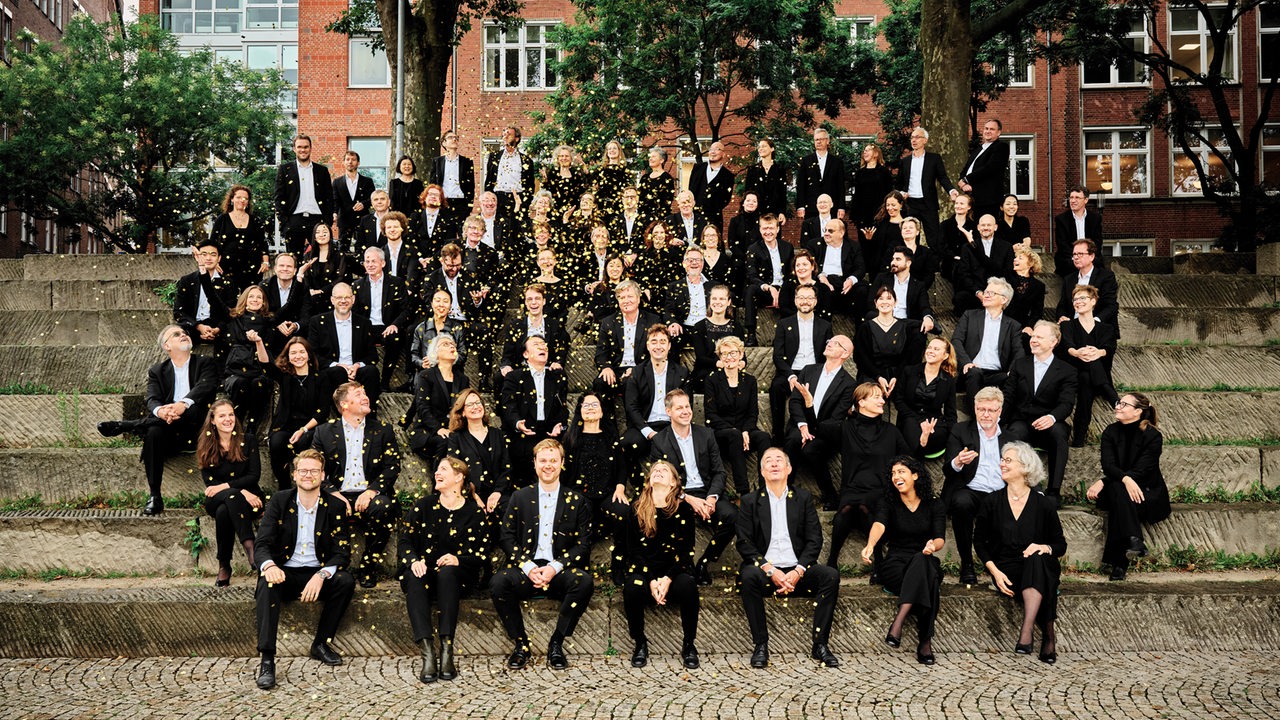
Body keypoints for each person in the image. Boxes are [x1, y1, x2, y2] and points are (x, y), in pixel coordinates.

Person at [252, 449, 356, 690]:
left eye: (314, 471)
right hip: (285, 572)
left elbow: (342, 552)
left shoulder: (335, 506)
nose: (308, 475)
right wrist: (269, 566)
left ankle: (321, 644)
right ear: (295, 475)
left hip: (316, 572)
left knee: (345, 581)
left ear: (323, 475)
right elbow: (262, 544)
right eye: (303, 471)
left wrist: (321, 575)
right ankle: (267, 659)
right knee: (266, 583)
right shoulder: (280, 500)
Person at [490, 439, 595, 671]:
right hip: (526, 569)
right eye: (543, 460)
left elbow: (583, 545)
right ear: (535, 464)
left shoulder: (577, 501)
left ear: (562, 464)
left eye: (553, 461)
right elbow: (506, 537)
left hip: (559, 571)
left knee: (584, 581)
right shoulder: (519, 497)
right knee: (498, 582)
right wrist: (527, 567)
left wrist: (555, 567)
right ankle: (521, 644)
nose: (548, 465)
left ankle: (557, 642)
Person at [737, 447, 841, 669]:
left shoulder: (802, 498)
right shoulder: (750, 501)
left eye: (779, 460)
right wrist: (771, 571)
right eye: (768, 461)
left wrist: (798, 571)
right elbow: (744, 542)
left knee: (830, 575)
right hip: (765, 571)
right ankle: (761, 645)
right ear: (762, 471)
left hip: (798, 571)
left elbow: (815, 539)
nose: (774, 464)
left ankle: (820, 644)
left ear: (789, 469)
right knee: (748, 575)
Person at [97, 325, 219, 515]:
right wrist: (161, 411)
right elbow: (152, 398)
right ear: (167, 345)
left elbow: (207, 387)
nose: (183, 335)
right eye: (176, 334)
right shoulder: (158, 371)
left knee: (193, 409)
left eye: (184, 333)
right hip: (170, 428)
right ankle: (155, 495)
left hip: (198, 427)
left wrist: (183, 404)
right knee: (154, 432)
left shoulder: (205, 363)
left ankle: (128, 426)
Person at [399, 456, 491, 683]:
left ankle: (447, 650)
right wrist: (413, 560)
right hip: (426, 574)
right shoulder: (423, 505)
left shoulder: (474, 513)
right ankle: (428, 652)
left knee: (448, 572)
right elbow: (404, 541)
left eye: (443, 470)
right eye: (437, 470)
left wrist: (459, 559)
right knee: (414, 575)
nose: (437, 474)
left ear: (459, 477)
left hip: (457, 579)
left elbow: (482, 553)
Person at [973, 441, 1066, 664]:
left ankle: (1027, 632)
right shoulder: (991, 501)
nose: (1002, 464)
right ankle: (1049, 636)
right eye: (1002, 460)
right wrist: (994, 572)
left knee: (1037, 560)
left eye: (1008, 460)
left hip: (1039, 565)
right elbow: (979, 541)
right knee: (1042, 576)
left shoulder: (1043, 504)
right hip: (1007, 570)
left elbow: (1060, 545)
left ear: (1025, 467)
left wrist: (1043, 547)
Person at [311, 381, 402, 588]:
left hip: (370, 493)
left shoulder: (382, 430)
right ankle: (336, 563)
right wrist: (333, 493)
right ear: (344, 404)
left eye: (365, 392)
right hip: (336, 494)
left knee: (383, 507)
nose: (365, 397)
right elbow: (315, 468)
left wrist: (371, 491)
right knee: (325, 508)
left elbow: (392, 467)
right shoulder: (323, 432)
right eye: (359, 394)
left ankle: (368, 564)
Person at [860, 455, 945, 665]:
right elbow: (879, 524)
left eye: (901, 472)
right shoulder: (888, 502)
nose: (896, 476)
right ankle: (925, 643)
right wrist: (870, 544)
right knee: (929, 581)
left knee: (924, 564)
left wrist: (932, 546)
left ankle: (899, 620)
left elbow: (940, 538)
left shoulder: (934, 504)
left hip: (925, 557)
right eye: (893, 474)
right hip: (896, 565)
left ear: (915, 475)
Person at [648, 389, 737, 586]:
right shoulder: (660, 442)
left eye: (687, 406)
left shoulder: (706, 434)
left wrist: (712, 498)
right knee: (679, 516)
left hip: (707, 492)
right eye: (679, 408)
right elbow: (660, 480)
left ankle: (704, 562)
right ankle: (684, 565)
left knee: (732, 515)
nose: (686, 411)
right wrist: (687, 498)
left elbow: (719, 472)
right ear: (668, 411)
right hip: (678, 495)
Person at [621, 460, 701, 670]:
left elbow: (686, 552)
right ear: (648, 481)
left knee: (688, 586)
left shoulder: (683, 511)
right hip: (645, 573)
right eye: (655, 470)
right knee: (632, 587)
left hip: (673, 573)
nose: (658, 471)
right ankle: (640, 643)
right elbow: (633, 552)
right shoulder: (636, 509)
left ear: (674, 483)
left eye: (664, 470)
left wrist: (667, 579)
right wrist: (651, 580)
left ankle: (689, 645)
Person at [1086, 392, 1170, 581]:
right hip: (1120, 488)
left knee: (1118, 495)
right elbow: (1108, 465)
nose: (1118, 406)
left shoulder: (1153, 436)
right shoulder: (1110, 431)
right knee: (1119, 492)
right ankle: (1134, 540)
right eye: (1119, 403)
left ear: (1138, 411)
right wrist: (1124, 480)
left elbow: (1143, 470)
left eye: (1124, 404)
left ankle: (1119, 563)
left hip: (1146, 492)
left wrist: (1106, 481)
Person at [827, 382, 910, 569]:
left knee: (868, 510)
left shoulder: (891, 431)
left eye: (882, 397)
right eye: (876, 397)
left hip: (881, 489)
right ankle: (832, 560)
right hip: (853, 487)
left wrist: (922, 441)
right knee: (846, 510)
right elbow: (821, 427)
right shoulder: (846, 428)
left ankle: (879, 562)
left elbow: (908, 458)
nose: (882, 401)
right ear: (861, 402)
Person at [941, 386, 1018, 586]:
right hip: (971, 490)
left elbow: (1022, 470)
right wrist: (958, 461)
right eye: (981, 409)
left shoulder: (1010, 437)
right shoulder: (960, 430)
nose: (985, 414)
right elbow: (947, 470)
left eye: (991, 410)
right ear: (975, 409)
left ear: (999, 411)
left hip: (1000, 492)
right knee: (961, 502)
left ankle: (1003, 566)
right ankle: (967, 564)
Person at [1001, 321, 1077, 502]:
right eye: (1033, 336)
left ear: (1053, 342)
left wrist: (1051, 418)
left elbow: (1066, 403)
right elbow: (1008, 396)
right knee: (1014, 433)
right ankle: (1026, 487)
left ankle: (1054, 491)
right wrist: (998, 422)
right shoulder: (1020, 365)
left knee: (1059, 434)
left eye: (1039, 337)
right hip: (1023, 420)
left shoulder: (1067, 370)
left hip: (1050, 423)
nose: (1033, 340)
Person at [784, 334, 856, 510]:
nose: (829, 344)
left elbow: (836, 418)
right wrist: (803, 426)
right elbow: (794, 402)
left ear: (845, 354)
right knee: (793, 441)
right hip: (799, 426)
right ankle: (785, 491)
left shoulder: (848, 383)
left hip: (825, 433)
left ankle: (830, 496)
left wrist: (813, 431)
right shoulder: (809, 370)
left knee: (811, 450)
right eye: (829, 341)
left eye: (835, 343)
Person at [561, 392, 628, 581]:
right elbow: (564, 472)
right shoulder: (571, 439)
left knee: (623, 512)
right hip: (580, 494)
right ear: (579, 411)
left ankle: (618, 564)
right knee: (579, 511)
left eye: (594, 404)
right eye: (585, 405)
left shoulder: (610, 436)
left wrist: (620, 487)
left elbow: (622, 465)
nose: (590, 408)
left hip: (608, 492)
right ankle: (581, 566)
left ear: (602, 411)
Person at [196, 399, 263, 587]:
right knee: (229, 499)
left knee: (224, 512)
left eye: (231, 414)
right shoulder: (205, 444)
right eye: (222, 415)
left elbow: (253, 476)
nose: (228, 419)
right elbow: (210, 486)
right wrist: (241, 491)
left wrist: (229, 487)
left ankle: (224, 565)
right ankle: (251, 550)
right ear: (213, 421)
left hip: (249, 500)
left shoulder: (247, 440)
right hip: (217, 499)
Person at [256, 335, 329, 489]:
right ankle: (284, 487)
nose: (298, 356)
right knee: (276, 443)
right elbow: (265, 365)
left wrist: (303, 429)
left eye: (301, 352)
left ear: (308, 354)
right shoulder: (285, 376)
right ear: (288, 357)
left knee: (304, 442)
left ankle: (306, 486)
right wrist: (258, 342)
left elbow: (323, 411)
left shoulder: (320, 377)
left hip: (310, 426)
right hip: (285, 425)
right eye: (293, 353)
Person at [704, 335, 771, 496]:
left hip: (743, 431)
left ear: (741, 355)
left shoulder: (750, 380)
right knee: (734, 435)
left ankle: (765, 489)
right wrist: (737, 431)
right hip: (722, 433)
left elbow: (752, 412)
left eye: (733, 353)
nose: (729, 357)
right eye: (724, 354)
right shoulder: (712, 380)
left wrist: (746, 430)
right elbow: (711, 415)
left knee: (764, 437)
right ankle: (744, 492)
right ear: (720, 357)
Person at [501, 335, 570, 489]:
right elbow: (508, 405)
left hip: (549, 434)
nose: (542, 347)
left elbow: (563, 407)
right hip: (524, 434)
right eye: (536, 344)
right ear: (526, 354)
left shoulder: (557, 376)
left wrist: (559, 425)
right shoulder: (514, 377)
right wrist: (518, 423)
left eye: (544, 345)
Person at [302, 282, 382, 409]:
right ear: (332, 300)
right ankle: (341, 414)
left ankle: (369, 415)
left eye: (347, 297)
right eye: (339, 298)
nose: (343, 301)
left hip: (357, 371)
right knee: (337, 372)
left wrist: (356, 366)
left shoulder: (364, 323)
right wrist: (338, 365)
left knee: (371, 371)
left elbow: (373, 356)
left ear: (353, 299)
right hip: (333, 371)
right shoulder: (317, 322)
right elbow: (313, 354)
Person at [952, 277, 1026, 411]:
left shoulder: (1013, 325)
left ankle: (1003, 421)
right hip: (971, 370)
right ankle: (976, 420)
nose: (986, 294)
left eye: (991, 293)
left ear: (1004, 299)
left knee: (1014, 380)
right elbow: (956, 340)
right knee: (974, 374)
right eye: (986, 291)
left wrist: (1012, 371)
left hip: (997, 374)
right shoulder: (970, 316)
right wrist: (966, 362)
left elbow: (1019, 351)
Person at [621, 325, 690, 468]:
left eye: (662, 342)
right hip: (645, 425)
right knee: (628, 442)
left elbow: (685, 405)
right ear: (647, 346)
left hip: (671, 424)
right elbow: (631, 406)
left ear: (669, 345)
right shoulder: (637, 372)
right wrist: (649, 432)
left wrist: (674, 429)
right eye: (654, 342)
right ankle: (638, 485)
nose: (658, 346)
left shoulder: (681, 373)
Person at [1059, 284, 1119, 446]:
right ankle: (1113, 397)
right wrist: (1078, 353)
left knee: (1087, 378)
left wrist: (1098, 353)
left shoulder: (1106, 328)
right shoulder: (1067, 325)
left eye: (1082, 298)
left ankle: (1079, 437)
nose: (1078, 302)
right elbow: (1067, 346)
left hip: (1092, 375)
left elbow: (1109, 348)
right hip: (1073, 372)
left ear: (1093, 301)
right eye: (1075, 299)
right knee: (1086, 370)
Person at [770, 285, 832, 441]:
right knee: (776, 387)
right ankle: (778, 435)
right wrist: (790, 376)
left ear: (816, 301)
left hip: (814, 372)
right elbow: (778, 355)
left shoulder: (825, 326)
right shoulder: (784, 324)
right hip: (791, 371)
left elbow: (828, 356)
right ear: (795, 300)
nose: (805, 302)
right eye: (801, 298)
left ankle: (816, 431)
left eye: (809, 298)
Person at [219, 285, 280, 434]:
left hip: (260, 369)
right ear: (244, 300)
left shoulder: (270, 322)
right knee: (241, 383)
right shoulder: (233, 319)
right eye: (251, 296)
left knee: (259, 383)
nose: (255, 300)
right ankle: (236, 424)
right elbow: (214, 299)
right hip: (237, 369)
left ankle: (252, 426)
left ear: (264, 302)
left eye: (259, 297)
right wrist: (203, 273)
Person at [353, 246, 415, 391]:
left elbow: (406, 309)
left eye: (373, 261)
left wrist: (395, 325)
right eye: (367, 261)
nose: (370, 264)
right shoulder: (358, 285)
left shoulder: (396, 283)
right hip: (367, 326)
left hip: (388, 326)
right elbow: (355, 313)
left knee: (395, 339)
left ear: (383, 263)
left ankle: (385, 381)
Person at [445, 389, 512, 524]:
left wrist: (497, 493)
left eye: (478, 402)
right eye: (470, 404)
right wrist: (473, 495)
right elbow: (456, 471)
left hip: (497, 493)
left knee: (509, 511)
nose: (476, 406)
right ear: (462, 412)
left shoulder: (497, 434)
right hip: (469, 494)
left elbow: (507, 468)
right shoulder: (456, 438)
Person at [593, 280, 662, 406]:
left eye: (630, 296)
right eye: (622, 297)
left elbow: (657, 352)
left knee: (631, 382)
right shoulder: (608, 322)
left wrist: (636, 370)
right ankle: (609, 425)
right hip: (616, 369)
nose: (626, 300)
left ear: (638, 298)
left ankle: (635, 424)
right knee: (600, 383)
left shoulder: (652, 320)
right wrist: (606, 367)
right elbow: (601, 352)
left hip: (642, 369)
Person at [494, 283, 569, 396]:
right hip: (521, 369)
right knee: (500, 377)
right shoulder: (515, 326)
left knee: (560, 376)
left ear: (544, 301)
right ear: (525, 302)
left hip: (546, 368)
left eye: (537, 298)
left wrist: (558, 362)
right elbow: (507, 355)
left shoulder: (555, 325)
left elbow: (562, 348)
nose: (533, 302)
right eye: (529, 299)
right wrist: (506, 366)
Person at [406, 334, 470, 463]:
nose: (452, 346)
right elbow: (422, 408)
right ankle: (440, 481)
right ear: (435, 353)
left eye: (453, 344)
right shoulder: (426, 376)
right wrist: (438, 429)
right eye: (446, 344)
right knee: (446, 442)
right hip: (429, 431)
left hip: (454, 430)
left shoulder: (463, 379)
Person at [893, 336, 958, 460]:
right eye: (929, 347)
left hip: (934, 421)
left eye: (936, 349)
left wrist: (954, 435)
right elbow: (898, 400)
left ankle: (923, 443)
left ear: (945, 356)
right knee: (913, 434)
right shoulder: (909, 371)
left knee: (937, 435)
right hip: (909, 416)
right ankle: (917, 460)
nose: (930, 351)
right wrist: (919, 421)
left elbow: (951, 412)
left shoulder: (948, 381)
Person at [853, 286, 925, 392]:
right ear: (875, 303)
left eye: (889, 298)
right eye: (881, 299)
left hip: (899, 374)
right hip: (872, 374)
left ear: (895, 302)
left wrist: (896, 377)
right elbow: (861, 357)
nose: (884, 302)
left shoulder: (905, 327)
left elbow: (907, 357)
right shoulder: (865, 328)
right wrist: (878, 377)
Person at [895, 127, 957, 245]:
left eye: (917, 137)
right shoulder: (905, 161)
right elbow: (899, 183)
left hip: (928, 204)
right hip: (910, 204)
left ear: (925, 140)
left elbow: (942, 177)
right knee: (911, 239)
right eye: (912, 137)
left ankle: (935, 262)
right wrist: (901, 193)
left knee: (934, 239)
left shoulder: (934, 159)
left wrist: (951, 190)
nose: (914, 140)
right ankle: (912, 262)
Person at [275, 134, 335, 255]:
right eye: (299, 147)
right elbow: (278, 197)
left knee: (321, 258)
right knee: (294, 260)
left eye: (306, 147)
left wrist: (327, 222)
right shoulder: (285, 169)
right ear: (294, 149)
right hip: (294, 221)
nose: (303, 150)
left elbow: (329, 197)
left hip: (318, 221)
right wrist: (285, 222)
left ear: (311, 148)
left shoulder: (321, 171)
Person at [173, 239, 235, 351]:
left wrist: (217, 329)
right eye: (204, 254)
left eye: (213, 254)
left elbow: (230, 312)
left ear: (219, 258)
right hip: (192, 325)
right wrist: (198, 326)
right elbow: (178, 312)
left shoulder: (227, 283)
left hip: (217, 327)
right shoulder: (187, 280)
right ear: (197, 257)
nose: (208, 258)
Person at [743, 213, 794, 345]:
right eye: (764, 228)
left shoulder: (787, 248)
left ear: (777, 229)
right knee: (750, 290)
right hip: (765, 290)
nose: (768, 232)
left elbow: (791, 274)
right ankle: (751, 334)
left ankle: (786, 335)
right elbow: (751, 276)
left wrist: (782, 291)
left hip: (784, 289)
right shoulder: (753, 249)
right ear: (760, 229)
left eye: (771, 228)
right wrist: (769, 288)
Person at [210, 184, 270, 291]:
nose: (242, 200)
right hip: (226, 267)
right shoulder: (222, 219)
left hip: (252, 269)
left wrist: (265, 262)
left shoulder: (255, 220)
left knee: (248, 299)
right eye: (238, 197)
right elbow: (212, 243)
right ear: (232, 199)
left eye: (245, 198)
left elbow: (262, 243)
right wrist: (214, 263)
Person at [1054, 239, 1120, 335]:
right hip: (1073, 329)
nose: (1076, 257)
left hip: (1098, 329)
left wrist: (1093, 322)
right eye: (1074, 254)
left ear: (1091, 256)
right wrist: (1062, 317)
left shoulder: (1106, 277)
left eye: (1080, 254)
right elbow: (1062, 306)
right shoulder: (1069, 279)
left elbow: (1111, 306)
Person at [954, 214, 1015, 313]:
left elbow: (1007, 272)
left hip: (998, 292)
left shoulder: (1006, 247)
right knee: (960, 298)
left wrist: (994, 293)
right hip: (976, 292)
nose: (985, 228)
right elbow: (963, 274)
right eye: (983, 225)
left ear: (995, 227)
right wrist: (978, 293)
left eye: (989, 225)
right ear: (978, 227)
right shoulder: (967, 247)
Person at [689, 284, 741, 391]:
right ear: (709, 301)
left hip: (731, 370)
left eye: (722, 299)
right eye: (714, 298)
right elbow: (701, 358)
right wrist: (721, 364)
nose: (717, 302)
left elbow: (741, 355)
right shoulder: (699, 327)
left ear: (729, 302)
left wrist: (741, 363)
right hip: (706, 372)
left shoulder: (736, 327)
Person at [871, 246, 936, 331]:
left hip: (907, 324)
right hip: (884, 320)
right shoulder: (882, 278)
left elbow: (924, 306)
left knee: (918, 329)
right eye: (893, 259)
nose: (893, 262)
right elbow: (871, 301)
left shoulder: (918, 285)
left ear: (908, 263)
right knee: (870, 316)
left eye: (898, 259)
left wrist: (928, 318)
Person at [957, 118, 1010, 220]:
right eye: (986, 128)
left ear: (998, 132)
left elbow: (989, 168)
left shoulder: (1001, 147)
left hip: (988, 199)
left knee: (986, 228)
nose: (988, 131)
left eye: (992, 129)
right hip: (971, 197)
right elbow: (967, 168)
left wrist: (966, 180)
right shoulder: (978, 149)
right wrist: (962, 181)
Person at [813, 218, 866, 319]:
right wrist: (821, 276)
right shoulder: (814, 245)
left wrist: (851, 280)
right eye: (825, 230)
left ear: (841, 233)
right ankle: (825, 330)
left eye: (830, 231)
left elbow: (861, 268)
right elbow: (810, 265)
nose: (826, 233)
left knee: (862, 290)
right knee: (822, 290)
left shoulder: (853, 246)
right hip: (824, 281)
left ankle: (860, 330)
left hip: (844, 281)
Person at [663, 246, 714, 344]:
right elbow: (668, 311)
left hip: (708, 329)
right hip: (684, 329)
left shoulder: (713, 286)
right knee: (672, 336)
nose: (694, 263)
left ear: (702, 264)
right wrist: (672, 322)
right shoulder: (674, 286)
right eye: (690, 260)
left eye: (697, 260)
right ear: (684, 264)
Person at [410, 289, 468, 375]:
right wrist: (422, 363)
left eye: (445, 301)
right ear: (432, 304)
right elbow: (414, 354)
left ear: (450, 305)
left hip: (451, 373)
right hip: (427, 373)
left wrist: (443, 360)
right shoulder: (421, 328)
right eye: (437, 301)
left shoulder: (457, 328)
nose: (441, 305)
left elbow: (462, 354)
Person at [298, 222, 355, 308]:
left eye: (325, 232)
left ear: (330, 235)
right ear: (314, 237)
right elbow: (306, 277)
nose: (321, 235)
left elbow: (340, 277)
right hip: (312, 297)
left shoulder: (339, 255)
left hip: (333, 297)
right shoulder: (308, 255)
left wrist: (322, 291)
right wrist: (311, 290)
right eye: (317, 232)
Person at [1052, 185, 1104, 277]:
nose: (1073, 200)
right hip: (1069, 260)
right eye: (1071, 197)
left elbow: (1097, 242)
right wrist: (1078, 258)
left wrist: (1086, 258)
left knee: (1102, 274)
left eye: (1077, 198)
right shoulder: (1061, 219)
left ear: (1086, 200)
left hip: (1089, 259)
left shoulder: (1095, 218)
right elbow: (1062, 245)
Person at [795, 128, 847, 221]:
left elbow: (841, 186)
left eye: (821, 139)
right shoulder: (806, 161)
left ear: (827, 141)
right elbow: (801, 185)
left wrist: (841, 207)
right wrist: (801, 206)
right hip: (811, 207)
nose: (818, 142)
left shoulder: (837, 162)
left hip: (832, 207)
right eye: (816, 139)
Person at [485, 125, 534, 222]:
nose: (505, 137)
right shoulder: (494, 157)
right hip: (498, 198)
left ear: (517, 138)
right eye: (504, 134)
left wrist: (525, 202)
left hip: (518, 198)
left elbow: (530, 185)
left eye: (509, 134)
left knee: (517, 229)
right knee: (499, 229)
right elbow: (489, 180)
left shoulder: (526, 160)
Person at [687, 140, 735, 234]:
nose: (713, 152)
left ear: (723, 154)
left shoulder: (728, 176)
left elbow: (726, 199)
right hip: (694, 216)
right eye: (711, 149)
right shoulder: (697, 168)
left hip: (714, 218)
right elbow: (691, 190)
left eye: (717, 149)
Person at [430, 129, 476, 227]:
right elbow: (432, 184)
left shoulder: (466, 162)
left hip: (461, 203)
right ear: (444, 143)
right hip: (443, 202)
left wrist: (469, 206)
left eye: (456, 138)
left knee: (461, 234)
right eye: (450, 137)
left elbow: (471, 186)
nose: (454, 139)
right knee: (445, 233)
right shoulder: (437, 162)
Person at [332, 150, 375, 243]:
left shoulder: (367, 181)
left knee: (363, 247)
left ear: (358, 163)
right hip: (344, 220)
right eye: (347, 159)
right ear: (343, 162)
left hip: (363, 219)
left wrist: (363, 204)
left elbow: (372, 199)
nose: (350, 162)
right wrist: (334, 212)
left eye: (353, 159)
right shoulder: (337, 182)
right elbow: (335, 200)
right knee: (343, 248)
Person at [779, 248, 832, 320]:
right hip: (793, 325)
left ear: (812, 266)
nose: (801, 268)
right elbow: (784, 310)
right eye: (797, 265)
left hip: (817, 326)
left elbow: (825, 312)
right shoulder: (788, 285)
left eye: (805, 264)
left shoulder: (823, 288)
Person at [1007, 245, 1046, 341]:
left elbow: (1037, 312)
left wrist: (1029, 326)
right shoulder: (1006, 277)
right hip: (1003, 322)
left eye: (1020, 258)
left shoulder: (1039, 286)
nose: (1015, 260)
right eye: (1015, 257)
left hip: (1022, 325)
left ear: (1030, 264)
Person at [851, 143, 894, 232]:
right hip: (863, 213)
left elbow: (889, 193)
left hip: (880, 213)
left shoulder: (884, 172)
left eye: (868, 150)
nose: (865, 152)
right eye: (864, 151)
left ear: (876, 153)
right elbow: (857, 194)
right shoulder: (860, 173)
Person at [743, 138, 789, 221]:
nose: (761, 149)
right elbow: (748, 191)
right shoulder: (752, 170)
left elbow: (782, 193)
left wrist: (782, 212)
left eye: (764, 146)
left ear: (772, 149)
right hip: (755, 212)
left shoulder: (780, 170)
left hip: (774, 212)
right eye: (759, 147)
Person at [863, 190, 906, 277]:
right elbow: (874, 248)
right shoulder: (880, 223)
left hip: (899, 267)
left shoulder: (907, 224)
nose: (890, 208)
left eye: (893, 205)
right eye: (888, 205)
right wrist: (869, 239)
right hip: (880, 267)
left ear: (901, 204)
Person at [261, 252, 310, 325]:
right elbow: (263, 314)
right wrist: (278, 326)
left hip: (295, 330)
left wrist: (296, 325)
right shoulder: (265, 286)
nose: (285, 269)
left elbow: (306, 315)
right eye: (281, 265)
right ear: (275, 269)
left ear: (295, 270)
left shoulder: (303, 286)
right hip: (271, 328)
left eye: (289, 266)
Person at [542, 144, 587, 219]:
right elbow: (546, 192)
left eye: (566, 156)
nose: (564, 158)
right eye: (561, 156)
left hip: (574, 213)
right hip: (554, 213)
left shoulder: (577, 173)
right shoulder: (552, 173)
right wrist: (545, 181)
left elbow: (583, 191)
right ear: (558, 158)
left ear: (571, 158)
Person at [938, 192, 975, 282]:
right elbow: (941, 246)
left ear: (969, 207)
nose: (958, 206)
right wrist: (954, 256)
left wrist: (963, 258)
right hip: (950, 264)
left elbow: (976, 246)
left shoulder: (973, 226)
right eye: (956, 203)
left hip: (968, 263)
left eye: (962, 203)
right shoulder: (945, 225)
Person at [698, 225, 741, 298]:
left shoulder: (726, 259)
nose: (710, 238)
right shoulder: (697, 258)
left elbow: (729, 284)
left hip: (720, 297)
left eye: (713, 235)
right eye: (707, 236)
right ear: (703, 239)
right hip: (700, 295)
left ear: (718, 238)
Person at [417, 183, 457, 254]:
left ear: (441, 200)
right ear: (424, 198)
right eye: (430, 194)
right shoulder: (415, 217)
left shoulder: (449, 219)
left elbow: (449, 243)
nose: (433, 197)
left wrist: (433, 260)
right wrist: (420, 259)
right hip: (418, 260)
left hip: (441, 260)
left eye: (436, 195)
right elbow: (411, 241)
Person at [639, 146, 677, 220]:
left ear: (661, 160)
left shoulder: (666, 178)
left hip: (660, 218)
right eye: (650, 156)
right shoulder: (645, 178)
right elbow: (640, 198)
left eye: (654, 156)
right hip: (644, 218)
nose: (650, 159)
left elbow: (667, 201)